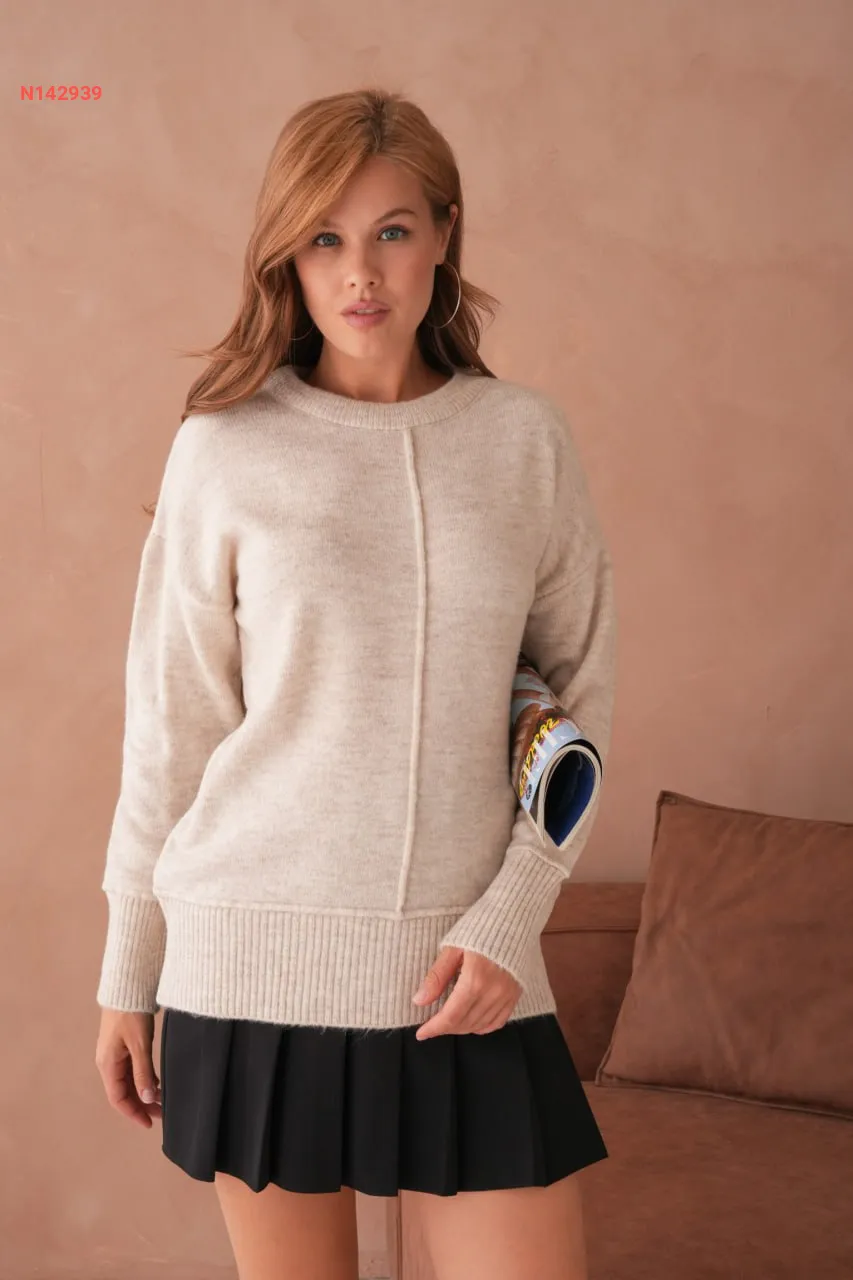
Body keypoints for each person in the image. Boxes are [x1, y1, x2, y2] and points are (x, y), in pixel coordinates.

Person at [94, 87, 617, 1280]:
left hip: (469, 968)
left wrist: (511, 914)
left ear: (443, 234)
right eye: (324, 237)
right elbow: (171, 727)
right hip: (250, 962)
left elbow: (577, 702)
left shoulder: (523, 441)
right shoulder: (225, 447)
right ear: (289, 253)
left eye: (391, 230)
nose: (359, 271)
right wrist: (128, 967)